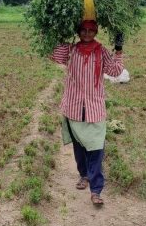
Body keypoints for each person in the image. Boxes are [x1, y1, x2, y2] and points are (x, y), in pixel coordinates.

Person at [50, 20, 125, 206]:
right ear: (78, 31)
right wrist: (62, 32)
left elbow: (115, 71)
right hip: (74, 106)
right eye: (83, 30)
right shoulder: (71, 50)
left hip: (95, 108)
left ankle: (96, 190)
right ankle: (84, 175)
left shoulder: (101, 51)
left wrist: (118, 48)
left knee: (96, 149)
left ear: (96, 32)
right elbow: (55, 56)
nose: (86, 33)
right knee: (80, 147)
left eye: (91, 30)